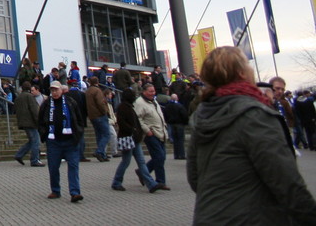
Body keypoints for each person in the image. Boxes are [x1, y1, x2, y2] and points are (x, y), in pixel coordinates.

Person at [188, 46, 316, 223]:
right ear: (241, 72)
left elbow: (194, 178)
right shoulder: (254, 114)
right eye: (247, 64)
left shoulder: (203, 114)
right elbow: (286, 181)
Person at [37, 80, 85, 202]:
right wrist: (45, 135)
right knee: (53, 167)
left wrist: (78, 134)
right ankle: (55, 190)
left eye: (56, 90)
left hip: (70, 141)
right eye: (52, 90)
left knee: (73, 166)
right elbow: (41, 121)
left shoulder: (70, 102)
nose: (54, 92)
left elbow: (79, 119)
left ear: (61, 90)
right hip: (54, 142)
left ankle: (75, 192)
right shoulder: (46, 104)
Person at [111, 88, 160, 192]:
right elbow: (123, 123)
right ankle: (116, 182)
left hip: (133, 138)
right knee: (126, 161)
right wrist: (133, 130)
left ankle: (151, 184)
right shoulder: (124, 107)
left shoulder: (128, 107)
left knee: (140, 162)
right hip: (129, 137)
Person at [134, 83, 169, 190]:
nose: (152, 93)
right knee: (159, 156)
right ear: (144, 92)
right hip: (151, 133)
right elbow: (138, 118)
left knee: (161, 157)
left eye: (153, 91)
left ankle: (143, 172)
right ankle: (160, 181)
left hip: (160, 132)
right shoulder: (139, 102)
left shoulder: (154, 101)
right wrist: (147, 130)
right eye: (150, 91)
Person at [13, 81, 43, 166]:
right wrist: (38, 121)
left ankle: (19, 155)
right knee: (36, 141)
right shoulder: (29, 97)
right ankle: (34, 160)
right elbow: (34, 110)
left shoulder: (18, 97)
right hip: (31, 122)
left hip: (22, 122)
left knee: (31, 141)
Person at [85, 76, 111, 162]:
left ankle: (102, 155)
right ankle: (99, 151)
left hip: (92, 116)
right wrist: (105, 112)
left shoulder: (87, 91)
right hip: (100, 115)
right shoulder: (97, 90)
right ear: (97, 82)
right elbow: (100, 103)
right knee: (106, 134)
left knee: (99, 135)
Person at [162, 89, 189, 160]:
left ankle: (176, 154)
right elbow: (184, 115)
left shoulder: (167, 106)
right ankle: (181, 154)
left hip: (171, 124)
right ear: (177, 98)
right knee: (180, 140)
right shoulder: (180, 106)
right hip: (179, 124)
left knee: (175, 140)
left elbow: (165, 115)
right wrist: (185, 122)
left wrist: (168, 121)